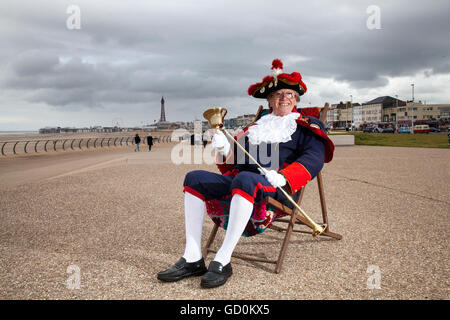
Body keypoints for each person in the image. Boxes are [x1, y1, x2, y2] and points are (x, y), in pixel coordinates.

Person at [157, 59, 334, 288]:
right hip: (242, 181)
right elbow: (235, 163)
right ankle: (192, 257)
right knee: (195, 178)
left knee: (245, 179)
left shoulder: (306, 125)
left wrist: (285, 177)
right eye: (278, 94)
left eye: (289, 94)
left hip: (278, 186)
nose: (284, 98)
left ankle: (223, 259)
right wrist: (224, 149)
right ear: (270, 100)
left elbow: (314, 158)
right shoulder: (255, 127)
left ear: (296, 99)